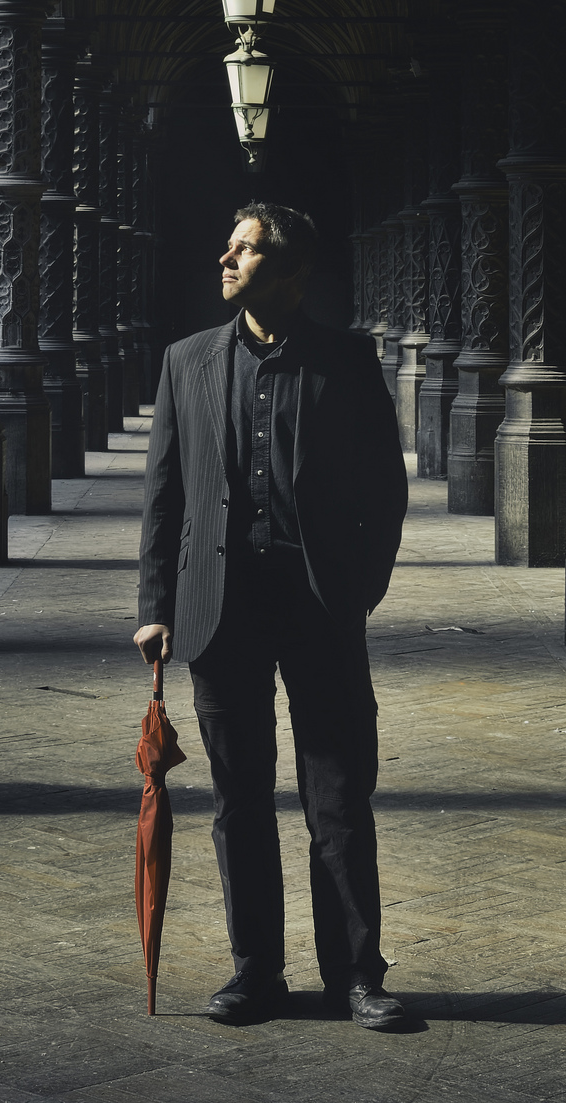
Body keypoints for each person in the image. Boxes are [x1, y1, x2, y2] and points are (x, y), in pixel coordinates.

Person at [134, 201, 409, 1030]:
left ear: (290, 274)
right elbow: (164, 495)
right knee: (239, 798)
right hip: (220, 611)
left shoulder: (348, 362)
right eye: (227, 246)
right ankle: (255, 971)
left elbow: (383, 491)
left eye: (245, 249)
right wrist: (155, 606)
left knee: (338, 795)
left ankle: (357, 976)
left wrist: (360, 585)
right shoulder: (187, 361)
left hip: (319, 603)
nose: (225, 258)